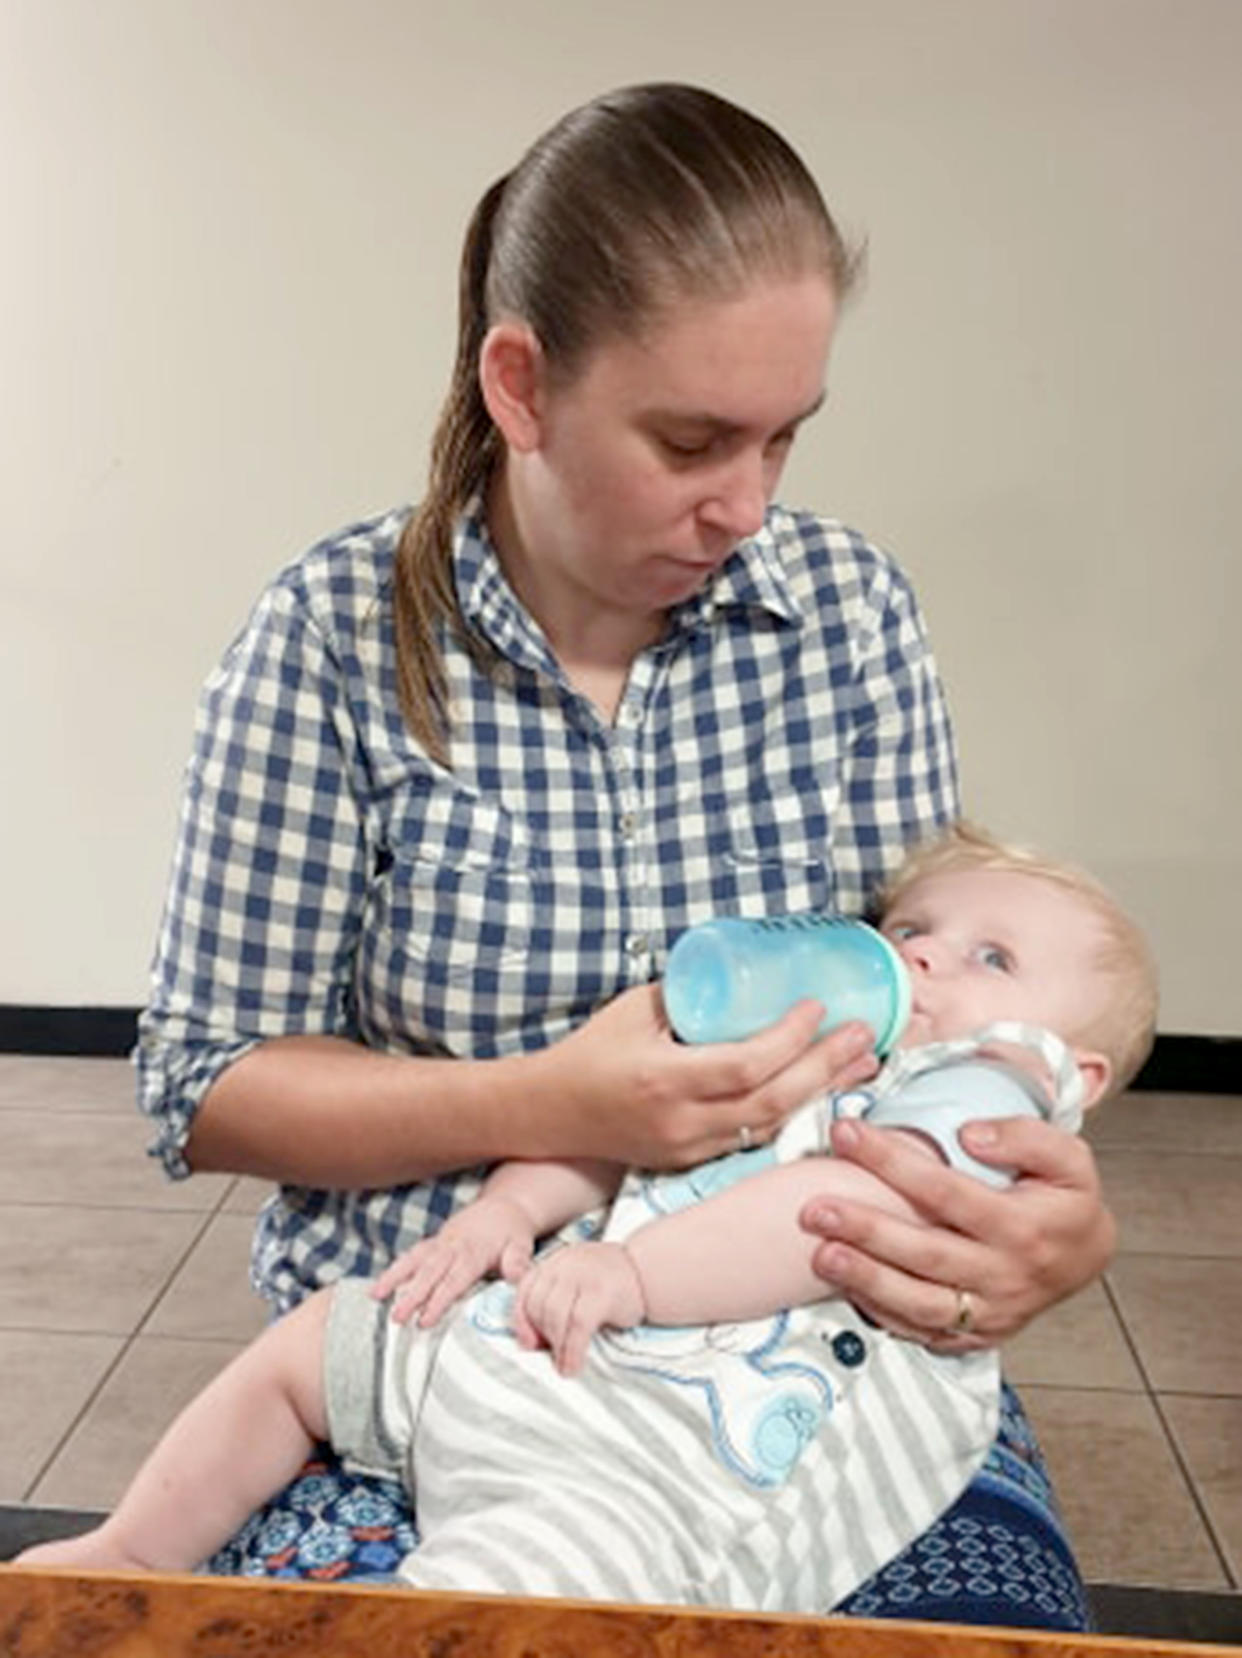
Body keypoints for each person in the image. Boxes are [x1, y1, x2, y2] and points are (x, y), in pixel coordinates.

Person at [123, 83, 1117, 1624]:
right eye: (690, 440)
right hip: (441, 1349)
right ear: (519, 384)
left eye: (785, 437)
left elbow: (939, 1018)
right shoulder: (327, 645)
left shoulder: (848, 621)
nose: (747, 504)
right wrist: (551, 1105)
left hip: (795, 1371)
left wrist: (1044, 1222)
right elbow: (203, 1086)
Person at [18, 828, 1158, 1617]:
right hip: (542, 1353)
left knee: (512, 1588)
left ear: (1081, 1068)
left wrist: (633, 1272)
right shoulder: (825, 1048)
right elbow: (626, 1126)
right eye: (914, 924)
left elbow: (840, 1214)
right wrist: (504, 1212)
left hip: (670, 1467)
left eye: (990, 957)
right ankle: (134, 1546)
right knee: (321, 1340)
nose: (921, 954)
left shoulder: (992, 1088)